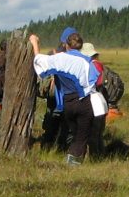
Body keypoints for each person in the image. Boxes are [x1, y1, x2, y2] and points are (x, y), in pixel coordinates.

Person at [28, 32, 98, 165]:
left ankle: (73, 161)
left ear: (66, 45)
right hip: (84, 101)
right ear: (81, 46)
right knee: (81, 136)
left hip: (67, 103)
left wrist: (34, 43)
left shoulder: (59, 59)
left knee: (75, 134)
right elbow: (93, 82)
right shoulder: (86, 62)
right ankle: (72, 163)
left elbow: (39, 62)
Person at [82, 42, 108, 156]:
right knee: (98, 133)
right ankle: (100, 155)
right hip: (101, 102)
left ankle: (95, 157)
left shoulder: (92, 65)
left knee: (93, 132)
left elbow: (96, 83)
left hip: (94, 102)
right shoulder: (99, 64)